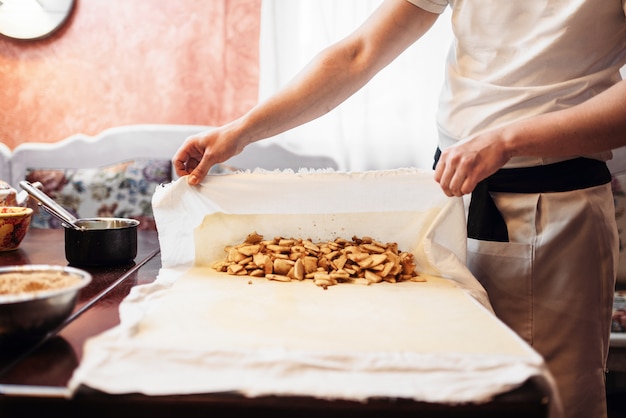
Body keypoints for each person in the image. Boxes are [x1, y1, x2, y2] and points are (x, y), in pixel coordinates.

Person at [173, 1, 626, 417]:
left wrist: (509, 139)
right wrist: (242, 131)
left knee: (554, 401)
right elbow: (359, 52)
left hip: (553, 212)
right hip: (449, 205)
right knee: (446, 389)